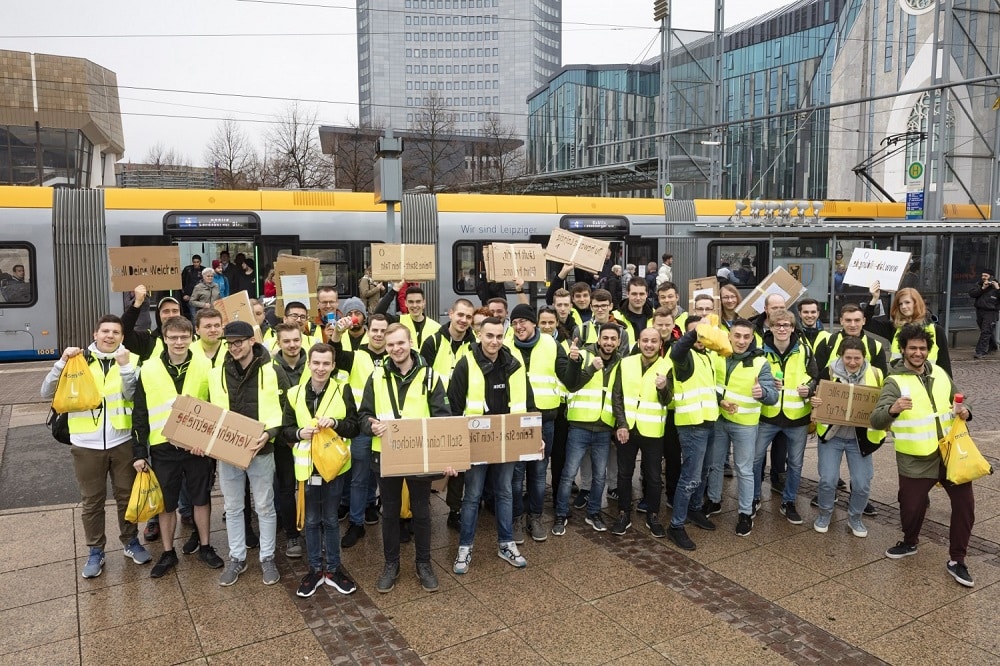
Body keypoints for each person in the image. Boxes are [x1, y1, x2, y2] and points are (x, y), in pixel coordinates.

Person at [40, 315, 150, 578]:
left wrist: (125, 367)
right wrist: (61, 363)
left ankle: (130, 541)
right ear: (95, 334)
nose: (110, 336)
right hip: (85, 443)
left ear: (122, 337)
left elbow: (134, 396)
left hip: (122, 440)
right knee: (92, 500)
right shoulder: (77, 361)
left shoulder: (132, 360)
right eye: (105, 331)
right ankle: (95, 550)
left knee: (126, 496)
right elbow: (46, 392)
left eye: (115, 332)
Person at [870, 324, 976, 588]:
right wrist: (893, 409)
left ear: (928, 350)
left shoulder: (939, 372)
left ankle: (957, 559)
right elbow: (876, 419)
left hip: (950, 453)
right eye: (913, 348)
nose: (918, 353)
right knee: (911, 508)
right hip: (916, 458)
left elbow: (959, 400)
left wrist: (965, 410)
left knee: (965, 506)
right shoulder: (894, 381)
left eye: (922, 348)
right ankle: (909, 541)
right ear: (903, 350)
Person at [359, 323, 456, 594]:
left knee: (421, 511)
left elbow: (443, 418)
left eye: (400, 343)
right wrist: (370, 426)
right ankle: (391, 564)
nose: (396, 349)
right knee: (389, 512)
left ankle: (424, 563)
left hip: (419, 456)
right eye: (390, 345)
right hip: (386, 454)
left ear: (410, 342)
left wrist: (446, 456)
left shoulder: (429, 376)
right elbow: (363, 415)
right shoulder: (376, 377)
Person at [131, 316, 224, 577]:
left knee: (201, 498)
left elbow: (215, 406)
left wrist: (207, 443)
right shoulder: (148, 368)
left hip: (196, 448)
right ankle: (168, 552)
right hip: (163, 446)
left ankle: (205, 546)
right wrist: (139, 452)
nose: (179, 342)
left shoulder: (205, 365)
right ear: (164, 339)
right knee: (167, 503)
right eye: (173, 337)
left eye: (184, 337)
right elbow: (140, 413)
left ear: (192, 338)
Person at [450, 317, 533, 574]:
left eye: (499, 336)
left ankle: (506, 544)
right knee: (472, 495)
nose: (494, 341)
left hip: (507, 441)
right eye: (489, 336)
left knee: (505, 492)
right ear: (479, 335)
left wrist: (534, 435)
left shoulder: (514, 364)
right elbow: (454, 406)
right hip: (476, 443)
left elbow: (527, 403)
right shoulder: (466, 363)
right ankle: (465, 547)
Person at [209, 321, 288, 587]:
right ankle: (237, 557)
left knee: (264, 506)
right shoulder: (217, 373)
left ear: (252, 341)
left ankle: (267, 558)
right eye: (229, 343)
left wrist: (271, 433)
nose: (234, 347)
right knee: (232, 507)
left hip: (262, 447)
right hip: (228, 450)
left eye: (238, 342)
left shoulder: (272, 370)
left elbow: (284, 407)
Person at [282, 343, 360, 597]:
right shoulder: (294, 393)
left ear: (333, 365)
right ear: (308, 364)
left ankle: (334, 570)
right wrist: (299, 433)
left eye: (326, 363)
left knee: (331, 519)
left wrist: (335, 423)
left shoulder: (342, 389)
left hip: (334, 467)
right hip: (307, 468)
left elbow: (354, 427)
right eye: (316, 363)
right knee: (312, 520)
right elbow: (285, 430)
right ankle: (315, 570)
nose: (321, 368)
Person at [552, 323, 626, 536]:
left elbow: (619, 395)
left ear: (618, 342)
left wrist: (619, 424)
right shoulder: (583, 355)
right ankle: (561, 513)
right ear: (599, 339)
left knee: (600, 476)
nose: (609, 342)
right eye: (605, 338)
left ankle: (593, 512)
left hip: (603, 427)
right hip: (579, 425)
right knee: (568, 474)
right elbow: (571, 385)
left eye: (613, 339)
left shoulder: (621, 362)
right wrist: (591, 368)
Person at [506, 304, 569, 543]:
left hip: (545, 418)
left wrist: (577, 365)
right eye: (514, 322)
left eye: (523, 321)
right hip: (516, 418)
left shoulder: (551, 344)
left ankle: (535, 517)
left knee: (539, 473)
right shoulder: (505, 345)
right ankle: (516, 519)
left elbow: (566, 376)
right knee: (516, 475)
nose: (518, 326)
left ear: (534, 323)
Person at [810, 337, 885, 537]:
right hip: (832, 436)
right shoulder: (828, 372)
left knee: (862, 483)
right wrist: (815, 401)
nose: (852, 362)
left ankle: (855, 518)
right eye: (848, 358)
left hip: (860, 439)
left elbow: (884, 401)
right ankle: (824, 514)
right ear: (841, 356)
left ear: (864, 357)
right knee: (828, 480)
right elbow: (816, 394)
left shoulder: (876, 374)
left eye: (857, 358)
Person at [711, 318, 778, 537]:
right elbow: (710, 386)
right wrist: (720, 401)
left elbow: (773, 396)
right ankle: (713, 500)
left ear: (752, 339)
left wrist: (763, 393)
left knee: (744, 469)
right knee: (715, 464)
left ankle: (745, 513)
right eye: (737, 336)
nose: (741, 341)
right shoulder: (717, 355)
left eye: (746, 337)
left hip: (745, 424)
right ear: (729, 336)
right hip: (719, 418)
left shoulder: (760, 362)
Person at [752, 310, 818, 525]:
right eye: (777, 325)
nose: (782, 329)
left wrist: (809, 389)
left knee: (796, 464)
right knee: (756, 459)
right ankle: (754, 497)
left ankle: (789, 502)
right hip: (766, 415)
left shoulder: (804, 350)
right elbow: (750, 378)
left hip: (797, 417)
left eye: (786, 325)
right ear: (770, 327)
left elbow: (814, 377)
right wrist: (765, 384)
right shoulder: (759, 351)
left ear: (792, 328)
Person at [330, 313, 390, 548]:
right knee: (359, 477)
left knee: (382, 476)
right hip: (363, 426)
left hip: (388, 428)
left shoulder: (395, 355)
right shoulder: (356, 356)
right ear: (367, 331)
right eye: (375, 330)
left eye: (384, 331)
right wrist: (337, 333)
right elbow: (335, 353)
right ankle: (356, 523)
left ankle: (374, 508)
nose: (379, 334)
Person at [610, 327, 672, 538]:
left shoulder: (667, 366)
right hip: (627, 429)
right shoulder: (626, 363)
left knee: (653, 476)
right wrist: (621, 424)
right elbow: (617, 395)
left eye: (654, 341)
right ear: (639, 341)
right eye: (645, 340)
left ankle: (653, 515)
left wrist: (663, 388)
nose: (649, 345)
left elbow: (668, 400)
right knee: (624, 473)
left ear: (660, 344)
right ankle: (623, 513)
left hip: (653, 430)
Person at [667, 316, 720, 550]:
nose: (701, 337)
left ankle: (694, 509)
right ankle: (676, 525)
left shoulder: (706, 356)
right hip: (692, 425)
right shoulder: (684, 356)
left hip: (708, 422)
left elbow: (707, 388)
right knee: (690, 478)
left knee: (704, 471)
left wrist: (721, 401)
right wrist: (695, 332)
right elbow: (677, 351)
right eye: (696, 333)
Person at [270, 322, 307, 559]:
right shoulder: (270, 368)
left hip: (310, 437)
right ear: (278, 342)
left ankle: (311, 529)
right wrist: (287, 436)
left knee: (311, 488)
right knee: (285, 488)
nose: (292, 345)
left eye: (295, 340)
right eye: (286, 341)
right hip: (284, 440)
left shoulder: (312, 364)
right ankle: (292, 534)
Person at [864, 282, 952, 375]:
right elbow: (865, 322)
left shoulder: (937, 331)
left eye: (907, 302)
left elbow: (945, 364)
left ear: (916, 303)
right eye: (900, 304)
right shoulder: (894, 328)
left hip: (927, 381)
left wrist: (949, 384)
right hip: (899, 381)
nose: (903, 307)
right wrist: (874, 299)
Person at [613, 277, 654, 348]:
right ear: (628, 294)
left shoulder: (656, 316)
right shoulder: (614, 317)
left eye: (641, 294)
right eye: (634, 294)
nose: (638, 298)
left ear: (646, 294)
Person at [969, 270, 999, 359]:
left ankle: (980, 351)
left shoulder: (996, 286)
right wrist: (982, 288)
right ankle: (993, 346)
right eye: (982, 275)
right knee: (986, 330)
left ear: (991, 277)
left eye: (986, 276)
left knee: (986, 331)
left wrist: (997, 288)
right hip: (980, 311)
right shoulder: (979, 284)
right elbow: (972, 294)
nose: (983, 277)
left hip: (991, 312)